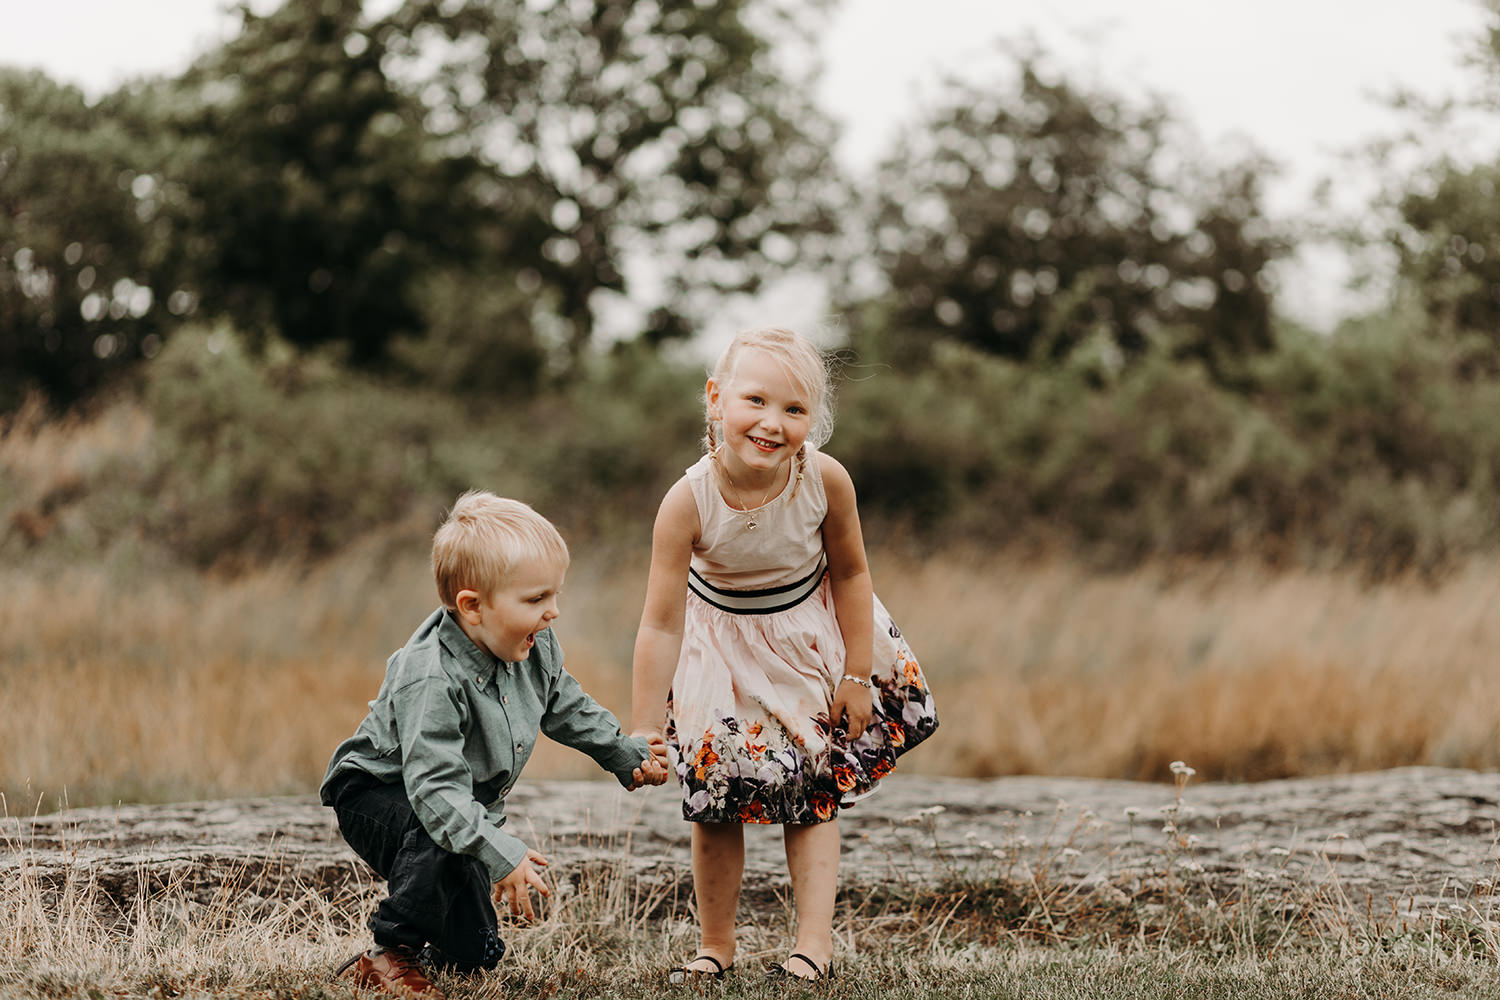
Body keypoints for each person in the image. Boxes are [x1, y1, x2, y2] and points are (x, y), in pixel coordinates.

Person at [630, 326, 938, 982]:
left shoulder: (825, 481)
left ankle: (812, 948)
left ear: (813, 422)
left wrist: (857, 673)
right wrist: (643, 728)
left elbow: (853, 576)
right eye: (756, 402)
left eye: (794, 410)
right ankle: (717, 946)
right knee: (715, 802)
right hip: (717, 648)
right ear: (716, 400)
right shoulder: (686, 501)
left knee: (811, 793)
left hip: (805, 641)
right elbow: (660, 623)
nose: (772, 423)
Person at [322, 491, 670, 999]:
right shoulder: (431, 675)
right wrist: (502, 852)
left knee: (477, 954)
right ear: (472, 606)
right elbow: (436, 793)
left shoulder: (533, 645)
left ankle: (435, 947)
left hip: (451, 802)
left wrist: (623, 753)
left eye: (555, 595)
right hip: (380, 793)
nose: (552, 613)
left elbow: (565, 705)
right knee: (445, 831)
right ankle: (387, 953)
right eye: (535, 600)